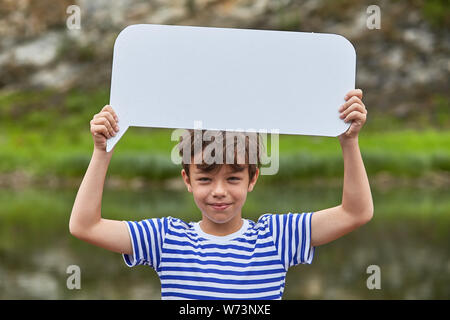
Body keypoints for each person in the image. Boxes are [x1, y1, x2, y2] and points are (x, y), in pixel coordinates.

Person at [69, 89, 373, 299]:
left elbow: (355, 212)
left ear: (252, 178)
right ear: (187, 179)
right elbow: (85, 226)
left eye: (233, 178)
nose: (219, 191)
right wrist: (102, 150)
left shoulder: (277, 237)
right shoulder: (166, 239)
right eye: (204, 179)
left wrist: (349, 142)